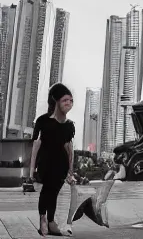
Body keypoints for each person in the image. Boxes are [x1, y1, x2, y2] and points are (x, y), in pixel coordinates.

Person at [29, 83, 76, 236]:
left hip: (61, 165)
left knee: (54, 192)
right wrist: (31, 170)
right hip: (45, 163)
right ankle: (43, 219)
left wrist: (70, 170)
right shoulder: (43, 121)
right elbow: (36, 145)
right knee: (47, 190)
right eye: (65, 100)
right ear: (56, 101)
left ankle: (51, 221)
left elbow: (69, 149)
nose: (68, 103)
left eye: (71, 100)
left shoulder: (69, 125)